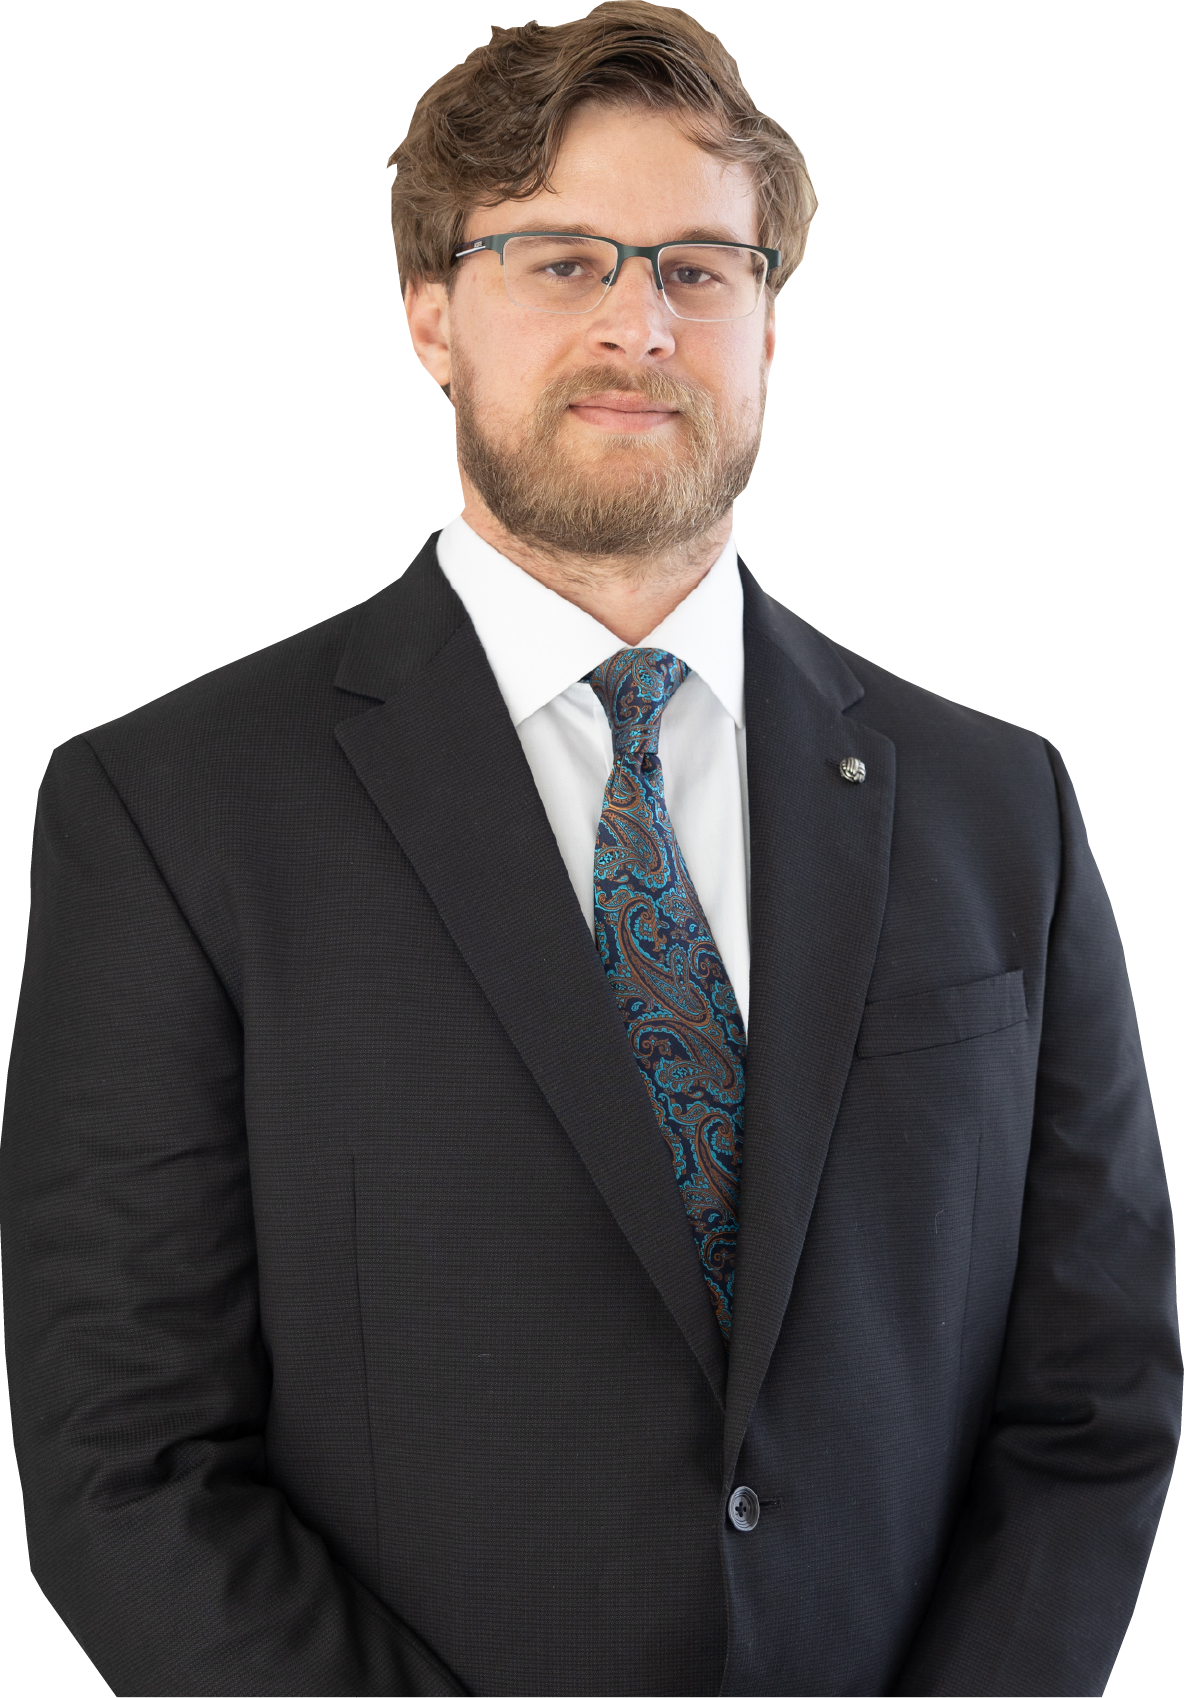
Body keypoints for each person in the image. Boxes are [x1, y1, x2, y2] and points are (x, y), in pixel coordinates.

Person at [2, 4, 1179, 1694]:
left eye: (701, 267)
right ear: (430, 312)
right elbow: (126, 1459)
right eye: (562, 260)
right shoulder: (173, 812)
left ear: (772, 318)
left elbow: (1099, 1392)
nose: (641, 321)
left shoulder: (1002, 809)